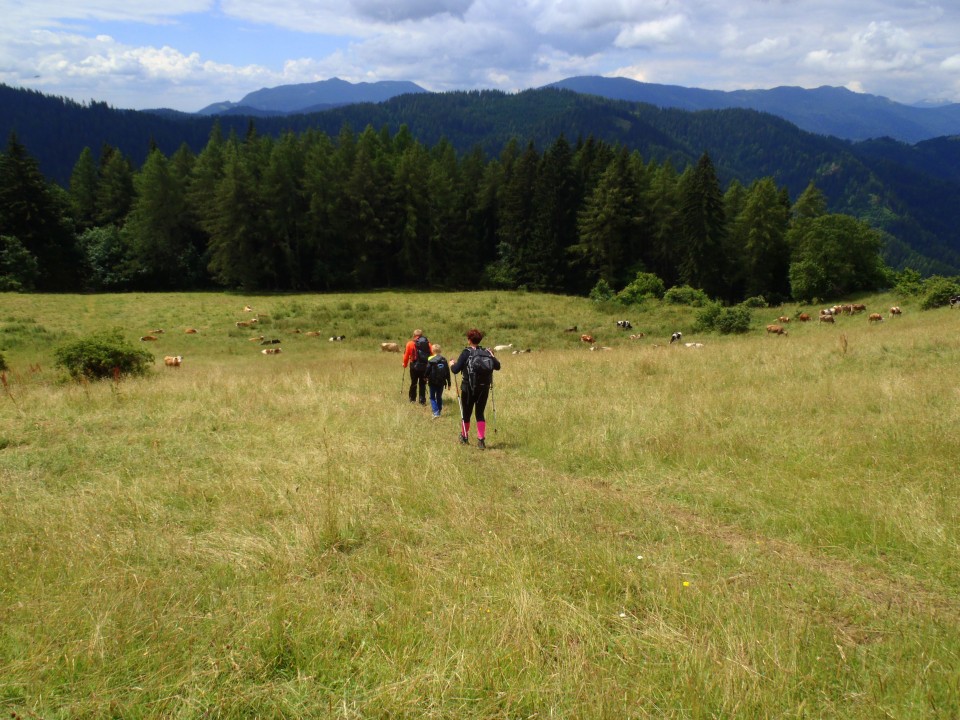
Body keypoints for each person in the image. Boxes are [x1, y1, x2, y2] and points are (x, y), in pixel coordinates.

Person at [451, 328, 501, 449]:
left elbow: (455, 370)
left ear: (469, 340)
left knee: (466, 413)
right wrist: (492, 356)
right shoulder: (487, 352)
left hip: (468, 387)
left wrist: (451, 364)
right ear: (480, 340)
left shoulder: (466, 353)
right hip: (484, 388)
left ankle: (464, 436)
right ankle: (481, 440)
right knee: (480, 413)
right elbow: (498, 366)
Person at [402, 328, 430, 405]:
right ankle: (422, 400)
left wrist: (405, 364)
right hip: (424, 366)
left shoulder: (409, 344)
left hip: (414, 366)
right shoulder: (427, 343)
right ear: (421, 336)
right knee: (422, 383)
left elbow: (406, 356)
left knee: (413, 382)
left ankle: (412, 399)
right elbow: (432, 354)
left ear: (414, 335)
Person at [426, 343, 452, 418]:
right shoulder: (444, 360)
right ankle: (439, 410)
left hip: (432, 381)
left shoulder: (430, 359)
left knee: (432, 397)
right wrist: (449, 383)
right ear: (440, 350)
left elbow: (427, 370)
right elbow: (447, 372)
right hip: (441, 382)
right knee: (439, 396)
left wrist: (425, 377)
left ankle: (436, 412)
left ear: (432, 350)